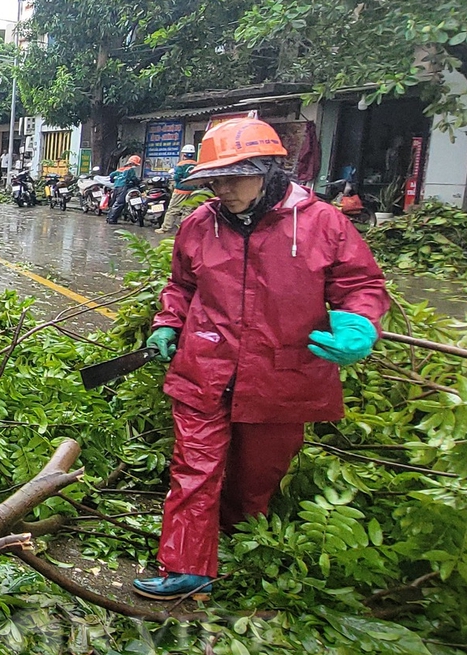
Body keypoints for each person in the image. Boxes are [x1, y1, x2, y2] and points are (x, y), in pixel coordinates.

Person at [133, 116, 391, 600]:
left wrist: (359, 325)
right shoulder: (199, 225)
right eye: (215, 179)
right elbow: (182, 287)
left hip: (283, 374)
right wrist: (168, 324)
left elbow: (361, 285)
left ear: (269, 171)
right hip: (204, 369)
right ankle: (188, 567)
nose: (222, 188)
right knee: (193, 468)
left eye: (234, 176)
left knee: (256, 478)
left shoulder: (322, 224)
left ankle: (237, 539)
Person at [158, 144, 204, 234]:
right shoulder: (196, 164)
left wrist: (174, 175)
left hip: (181, 190)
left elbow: (177, 177)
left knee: (173, 209)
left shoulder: (181, 164)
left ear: (184, 154)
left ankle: (165, 228)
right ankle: (184, 229)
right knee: (188, 210)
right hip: (193, 190)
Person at [108, 154, 144, 224]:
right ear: (133, 163)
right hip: (123, 187)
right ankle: (112, 219)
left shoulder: (120, 169)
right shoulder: (130, 170)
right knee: (120, 203)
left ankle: (109, 217)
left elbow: (111, 175)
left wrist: (113, 180)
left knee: (115, 203)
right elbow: (133, 178)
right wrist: (137, 182)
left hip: (116, 187)